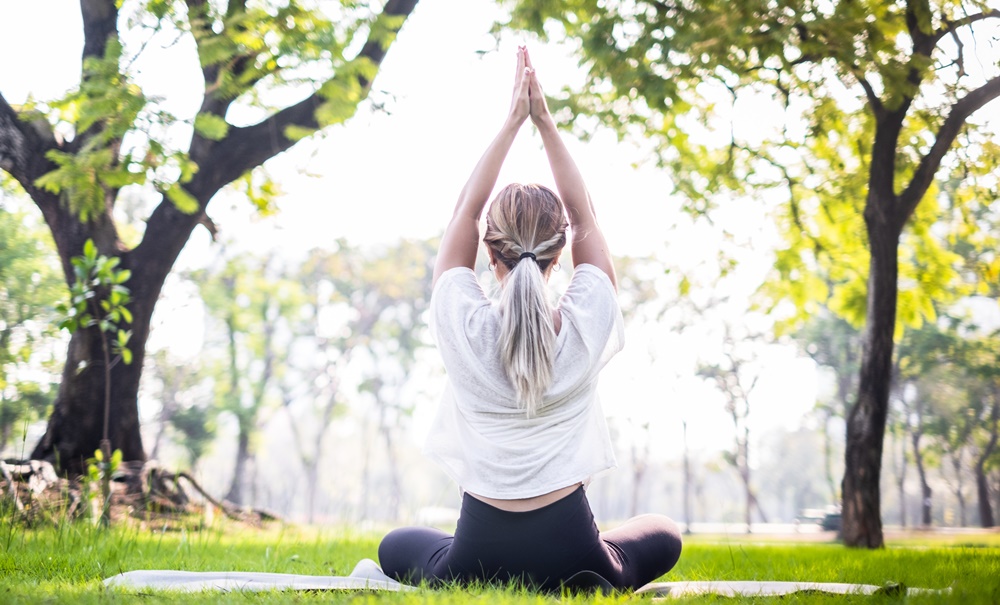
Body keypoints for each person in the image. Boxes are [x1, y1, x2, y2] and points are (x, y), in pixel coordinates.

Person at [377, 46, 682, 593]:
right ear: (560, 252)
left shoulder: (463, 326)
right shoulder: (587, 319)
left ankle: (487, 571)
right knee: (663, 534)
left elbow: (463, 214)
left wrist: (513, 121)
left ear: (488, 253)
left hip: (476, 552)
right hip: (574, 551)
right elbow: (585, 211)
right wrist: (545, 122)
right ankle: (589, 573)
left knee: (396, 545)